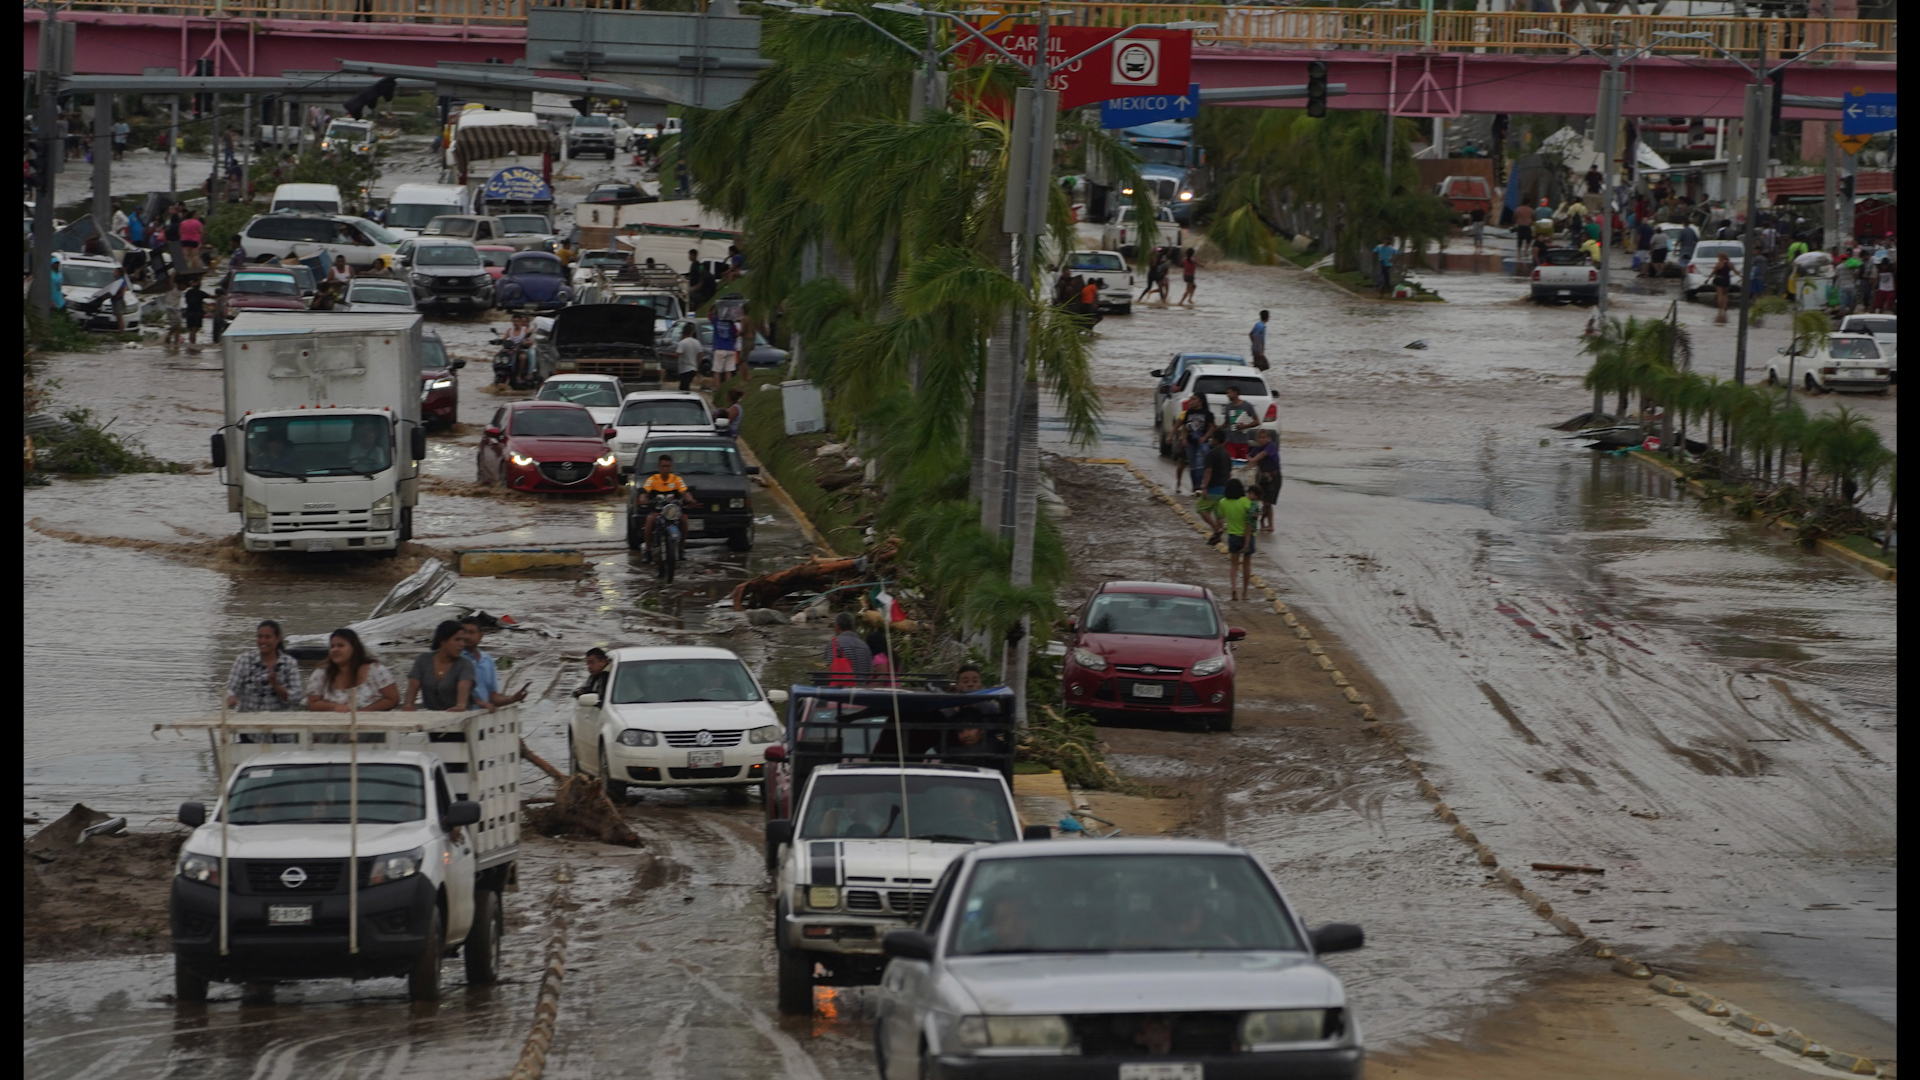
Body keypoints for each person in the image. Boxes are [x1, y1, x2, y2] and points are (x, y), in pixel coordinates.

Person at [305, 628, 399, 713]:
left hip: (371, 727)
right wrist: (335, 707)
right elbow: (312, 703)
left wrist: (361, 713)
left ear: (354, 648)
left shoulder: (376, 670)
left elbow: (392, 699)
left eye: (340, 646)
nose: (335, 650)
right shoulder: (321, 674)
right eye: (332, 646)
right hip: (331, 727)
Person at [226, 619, 303, 712]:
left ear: (278, 639)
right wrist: (231, 697)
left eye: (267, 637)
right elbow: (230, 689)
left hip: (280, 721)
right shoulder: (243, 660)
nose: (263, 641)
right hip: (248, 720)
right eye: (260, 636)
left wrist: (277, 687)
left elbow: (297, 697)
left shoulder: (289, 663)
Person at [404, 620, 479, 712]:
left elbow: (463, 693)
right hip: (430, 718)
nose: (462, 644)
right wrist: (409, 705)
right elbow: (412, 689)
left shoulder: (465, 664)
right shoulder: (423, 660)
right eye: (457, 640)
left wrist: (460, 706)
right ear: (443, 641)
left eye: (463, 640)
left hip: (458, 719)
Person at [639, 453, 700, 559]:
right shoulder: (652, 480)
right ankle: (647, 551)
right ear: (659, 467)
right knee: (649, 520)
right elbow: (644, 493)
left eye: (668, 466)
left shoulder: (676, 479)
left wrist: (690, 499)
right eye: (663, 466)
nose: (666, 469)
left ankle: (681, 549)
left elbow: (685, 492)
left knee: (684, 520)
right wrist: (643, 499)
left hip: (673, 512)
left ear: (671, 467)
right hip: (657, 511)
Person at [460, 615, 529, 708]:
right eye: (464, 632)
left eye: (471, 632)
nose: (467, 636)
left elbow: (492, 697)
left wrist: (512, 699)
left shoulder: (487, 660)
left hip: (480, 717)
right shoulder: (455, 659)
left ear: (481, 635)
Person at [1218, 477, 1256, 601]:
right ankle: (1244, 593)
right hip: (1248, 536)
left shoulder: (1223, 502)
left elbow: (1220, 517)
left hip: (1233, 536)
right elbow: (1252, 517)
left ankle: (1234, 588)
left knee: (1234, 565)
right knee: (1246, 565)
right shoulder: (1245, 501)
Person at [1196, 429, 1232, 546]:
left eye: (1212, 438)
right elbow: (1229, 473)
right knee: (1218, 513)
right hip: (1224, 487)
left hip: (1213, 488)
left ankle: (1215, 528)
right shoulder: (1227, 454)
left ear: (1215, 440)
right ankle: (1218, 535)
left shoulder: (1212, 453)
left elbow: (1208, 471)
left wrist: (1204, 487)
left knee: (1200, 508)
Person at [1176, 391, 1214, 494]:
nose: (1191, 401)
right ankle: (1195, 486)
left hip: (1203, 442)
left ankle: (1201, 485)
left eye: (1194, 399)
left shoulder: (1207, 413)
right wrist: (1184, 438)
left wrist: (1205, 437)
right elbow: (1184, 426)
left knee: (1202, 463)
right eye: (1191, 399)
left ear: (1200, 401)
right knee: (1192, 465)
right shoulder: (1189, 412)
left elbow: (1211, 427)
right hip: (1190, 442)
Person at [1248, 426, 1281, 532]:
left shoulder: (1271, 446)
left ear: (1269, 438)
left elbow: (1262, 455)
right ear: (1256, 440)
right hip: (1262, 479)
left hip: (1273, 478)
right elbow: (1248, 457)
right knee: (1260, 501)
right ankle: (1262, 521)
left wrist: (1252, 459)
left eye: (1264, 437)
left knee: (1268, 503)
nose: (1262, 439)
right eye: (1260, 438)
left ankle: (1270, 524)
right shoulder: (1256, 449)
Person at [823, 612, 873, 679]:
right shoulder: (864, 646)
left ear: (837, 627)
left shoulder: (834, 644)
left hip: (840, 687)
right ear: (853, 627)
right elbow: (870, 673)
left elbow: (829, 672)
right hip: (862, 688)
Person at [1219, 385, 1257, 456]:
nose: (1227, 395)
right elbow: (1227, 423)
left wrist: (1245, 426)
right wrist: (1218, 427)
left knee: (1241, 463)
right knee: (1231, 462)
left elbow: (1257, 421)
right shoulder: (1228, 407)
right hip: (1230, 441)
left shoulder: (1247, 406)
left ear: (1235, 393)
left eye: (1229, 393)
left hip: (1242, 441)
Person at [710, 312, 741, 386]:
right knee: (728, 371)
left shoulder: (716, 320)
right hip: (730, 348)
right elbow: (737, 333)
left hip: (719, 348)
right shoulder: (730, 322)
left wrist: (713, 307)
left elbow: (709, 314)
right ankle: (728, 389)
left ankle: (717, 389)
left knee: (717, 371)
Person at [1833, 249, 1863, 314]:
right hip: (1851, 286)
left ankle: (1843, 314)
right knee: (1851, 301)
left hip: (1843, 287)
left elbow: (1836, 276)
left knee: (1843, 302)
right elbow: (1856, 275)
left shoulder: (1838, 267)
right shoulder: (1851, 267)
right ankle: (1851, 313)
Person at [674, 322, 702, 392]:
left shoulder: (682, 343)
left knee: (683, 387)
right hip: (693, 369)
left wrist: (664, 354)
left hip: (684, 369)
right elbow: (700, 355)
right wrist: (697, 368)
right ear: (691, 332)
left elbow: (677, 355)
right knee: (686, 386)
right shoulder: (697, 342)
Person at [182, 278, 209, 348]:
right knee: (194, 329)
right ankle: (193, 344)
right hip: (197, 313)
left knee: (191, 329)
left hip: (189, 312)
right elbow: (211, 296)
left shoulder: (188, 292)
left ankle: (191, 344)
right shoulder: (200, 293)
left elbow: (186, 301)